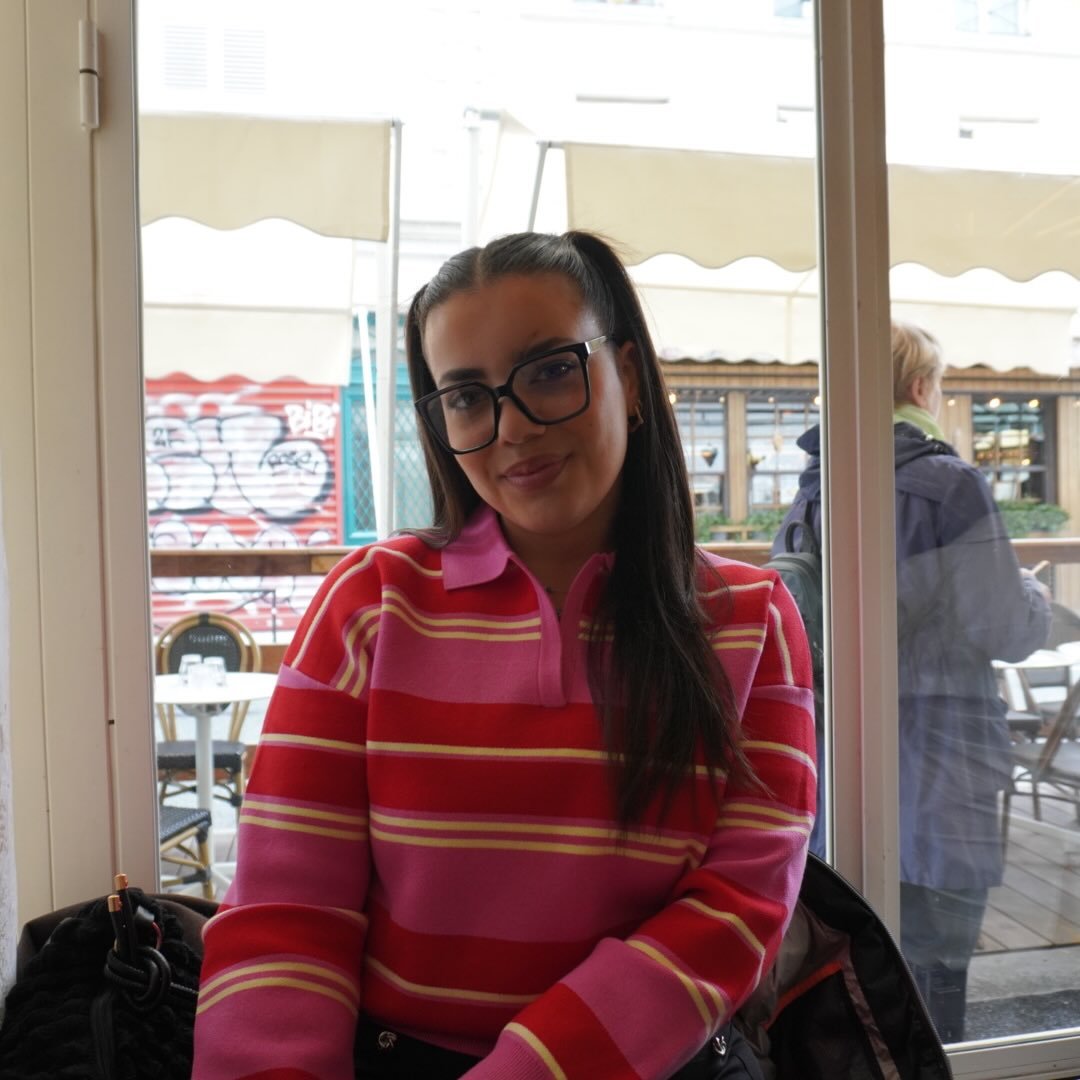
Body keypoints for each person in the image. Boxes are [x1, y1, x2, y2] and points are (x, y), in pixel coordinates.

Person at [191, 231, 816, 1079]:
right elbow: (284, 913)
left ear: (630, 378)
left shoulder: (750, 620)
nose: (512, 427)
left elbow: (735, 913)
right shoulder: (370, 605)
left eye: (551, 370)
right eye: (465, 397)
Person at [773, 320, 1050, 1043]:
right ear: (922, 386)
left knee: (861, 974)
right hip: (945, 769)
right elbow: (1004, 627)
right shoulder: (950, 486)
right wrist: (1035, 594)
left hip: (843, 769)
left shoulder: (815, 488)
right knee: (938, 977)